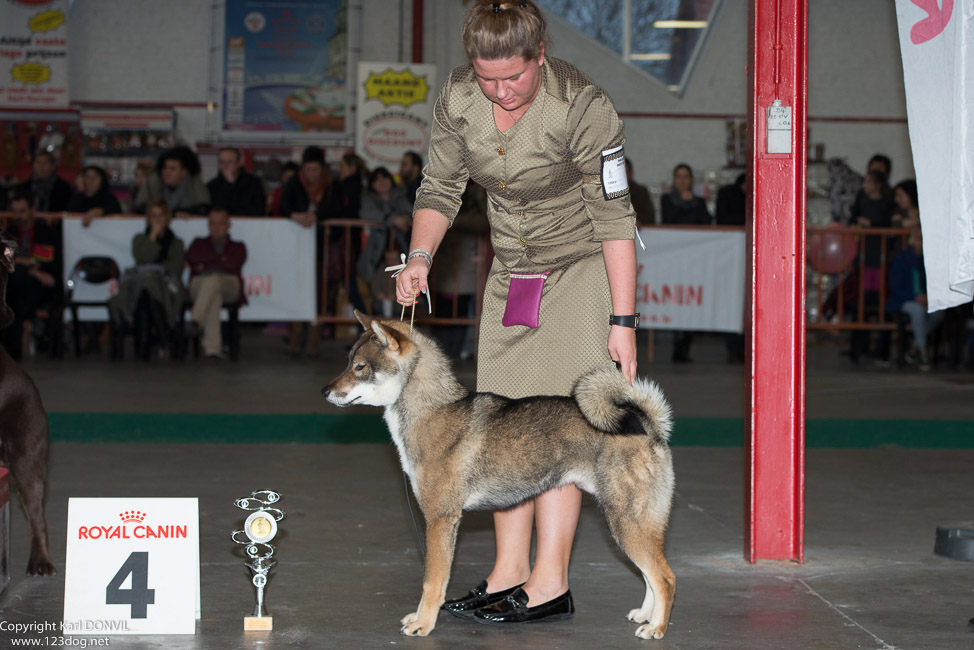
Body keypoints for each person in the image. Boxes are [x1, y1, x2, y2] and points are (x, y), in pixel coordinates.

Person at [394, 0, 639, 624]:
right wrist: (419, 254)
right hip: (513, 271)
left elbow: (615, 219)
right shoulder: (457, 98)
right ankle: (509, 571)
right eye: (487, 77)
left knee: (558, 420)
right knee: (500, 414)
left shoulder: (583, 106)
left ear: (541, 55)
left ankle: (550, 580)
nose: (501, 91)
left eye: (515, 77)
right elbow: (441, 186)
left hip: (581, 268)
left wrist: (623, 321)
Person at [108, 200, 186, 360]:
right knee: (146, 287)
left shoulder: (176, 243)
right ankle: (164, 338)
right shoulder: (139, 239)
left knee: (148, 286)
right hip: (140, 287)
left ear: (167, 218)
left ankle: (143, 348)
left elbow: (175, 268)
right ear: (148, 218)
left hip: (167, 289)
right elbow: (142, 256)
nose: (157, 220)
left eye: (160, 215)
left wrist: (151, 267)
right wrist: (152, 237)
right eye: (153, 216)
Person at [278, 146, 332, 357]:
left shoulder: (330, 185)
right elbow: (282, 206)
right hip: (296, 248)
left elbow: (336, 209)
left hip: (321, 249)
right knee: (295, 293)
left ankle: (312, 343)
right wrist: (295, 215)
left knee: (319, 295)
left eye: (316, 169)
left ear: (322, 168)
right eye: (308, 169)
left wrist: (317, 216)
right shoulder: (293, 183)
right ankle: (294, 340)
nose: (312, 174)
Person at [2, 192, 61, 360]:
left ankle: (17, 342)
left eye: (22, 211)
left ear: (32, 210)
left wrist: (25, 264)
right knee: (18, 280)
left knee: (16, 288)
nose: (18, 216)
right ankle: (28, 326)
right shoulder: (8, 234)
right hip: (23, 281)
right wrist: (30, 267)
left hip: (40, 285)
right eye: (15, 211)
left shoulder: (47, 232)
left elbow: (47, 261)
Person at [661, 163, 710, 362]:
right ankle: (677, 346)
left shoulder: (699, 202)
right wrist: (686, 204)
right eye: (679, 176)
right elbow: (669, 220)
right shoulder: (667, 199)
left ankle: (686, 346)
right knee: (677, 299)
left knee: (691, 300)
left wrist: (692, 203)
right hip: (676, 259)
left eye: (686, 177)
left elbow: (706, 223)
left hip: (695, 259)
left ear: (691, 180)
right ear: (674, 179)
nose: (682, 180)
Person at [185, 208, 248, 359]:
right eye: (212, 223)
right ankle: (212, 350)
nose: (216, 227)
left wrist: (205, 264)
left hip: (229, 284)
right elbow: (192, 258)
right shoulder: (198, 243)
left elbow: (233, 264)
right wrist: (220, 260)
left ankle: (196, 320)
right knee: (213, 293)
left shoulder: (238, 246)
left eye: (220, 223)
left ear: (228, 225)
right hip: (200, 285)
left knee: (213, 280)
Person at [885, 226, 943, 371]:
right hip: (904, 300)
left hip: (923, 299)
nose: (922, 244)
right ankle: (923, 352)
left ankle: (914, 347)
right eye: (919, 240)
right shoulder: (902, 259)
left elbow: (934, 283)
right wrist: (915, 297)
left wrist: (927, 297)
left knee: (939, 311)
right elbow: (896, 287)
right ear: (913, 241)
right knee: (918, 311)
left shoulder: (927, 260)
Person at [356, 167, 412, 315]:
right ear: (371, 184)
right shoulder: (368, 198)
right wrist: (393, 219)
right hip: (377, 252)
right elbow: (368, 213)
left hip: (401, 248)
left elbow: (410, 211)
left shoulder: (400, 194)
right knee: (377, 283)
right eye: (377, 179)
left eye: (385, 177)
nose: (381, 182)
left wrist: (405, 219)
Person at [134, 145, 210, 217]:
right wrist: (172, 214)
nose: (167, 172)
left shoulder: (193, 181)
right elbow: (139, 208)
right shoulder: (154, 181)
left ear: (184, 172)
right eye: (165, 168)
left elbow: (204, 208)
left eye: (172, 169)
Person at [206, 147, 267, 216]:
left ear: (239, 163)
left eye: (230, 162)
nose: (225, 166)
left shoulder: (253, 183)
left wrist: (232, 185)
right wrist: (229, 185)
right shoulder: (212, 186)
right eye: (222, 162)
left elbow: (259, 210)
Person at [625, 157, 655, 225]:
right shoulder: (606, 194)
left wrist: (635, 221)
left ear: (631, 174)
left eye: (625, 172)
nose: (622, 176)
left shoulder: (641, 192)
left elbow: (649, 216)